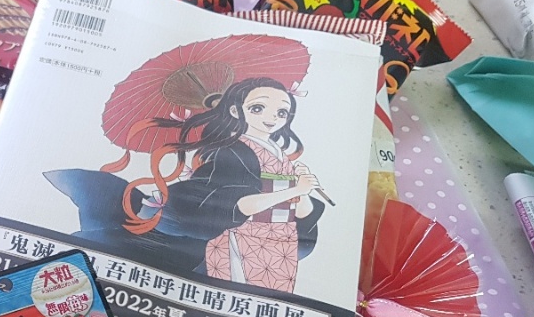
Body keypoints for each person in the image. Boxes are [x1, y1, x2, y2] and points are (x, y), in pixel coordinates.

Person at [46, 77, 325, 293]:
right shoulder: (230, 151)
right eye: (258, 108)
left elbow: (300, 213)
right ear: (235, 110)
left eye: (282, 112)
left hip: (277, 247)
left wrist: (304, 193)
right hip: (237, 244)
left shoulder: (278, 155)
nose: (272, 118)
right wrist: (294, 191)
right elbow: (235, 204)